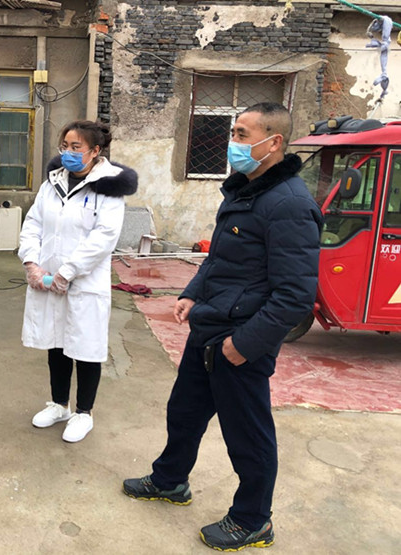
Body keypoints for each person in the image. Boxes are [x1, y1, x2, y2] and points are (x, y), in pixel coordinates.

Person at [123, 103, 322, 551]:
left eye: (242, 134)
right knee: (184, 413)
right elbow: (218, 259)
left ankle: (253, 520)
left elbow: (294, 295)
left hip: (239, 342)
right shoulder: (244, 192)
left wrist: (243, 345)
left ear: (273, 142)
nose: (232, 142)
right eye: (234, 132)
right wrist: (192, 293)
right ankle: (170, 480)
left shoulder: (289, 205)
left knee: (247, 437)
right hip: (209, 328)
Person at [18, 120, 138, 443]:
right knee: (56, 344)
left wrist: (67, 272)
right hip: (47, 280)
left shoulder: (107, 188)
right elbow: (33, 224)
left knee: (85, 348)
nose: (68, 153)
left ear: (95, 151)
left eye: (76, 147)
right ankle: (59, 405)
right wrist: (31, 263)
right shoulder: (52, 184)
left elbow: (104, 238)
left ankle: (84, 413)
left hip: (84, 284)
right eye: (64, 146)